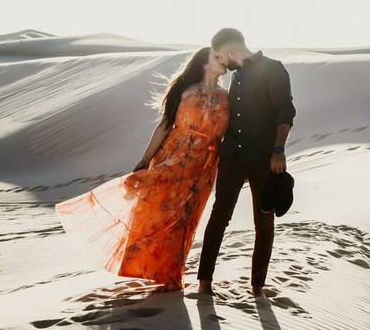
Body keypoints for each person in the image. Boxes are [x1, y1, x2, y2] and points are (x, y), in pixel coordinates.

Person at [55, 47, 230, 291]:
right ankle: (154, 269)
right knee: (159, 212)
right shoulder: (186, 91)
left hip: (204, 167)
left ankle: (171, 274)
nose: (223, 61)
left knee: (186, 219)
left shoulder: (227, 97)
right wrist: (146, 159)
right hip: (173, 156)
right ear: (203, 63)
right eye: (217, 57)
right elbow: (164, 126)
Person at [197, 27, 296, 297]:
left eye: (220, 55)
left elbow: (285, 111)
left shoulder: (273, 69)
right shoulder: (236, 76)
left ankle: (257, 287)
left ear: (231, 51)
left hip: (263, 158)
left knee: (263, 222)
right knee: (219, 216)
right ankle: (204, 281)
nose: (221, 61)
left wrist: (278, 150)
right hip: (232, 156)